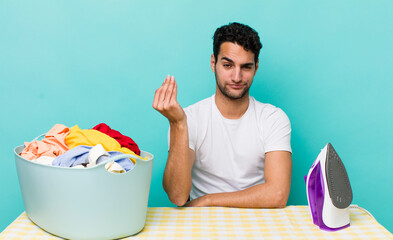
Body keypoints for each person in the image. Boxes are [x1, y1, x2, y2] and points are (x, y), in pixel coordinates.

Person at [153, 22, 292, 208]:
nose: (236, 77)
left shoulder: (273, 118)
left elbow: (277, 194)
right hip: (202, 221)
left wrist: (209, 199)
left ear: (256, 67)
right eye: (228, 65)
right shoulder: (190, 119)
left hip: (257, 218)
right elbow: (178, 196)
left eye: (246, 67)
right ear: (213, 63)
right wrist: (178, 124)